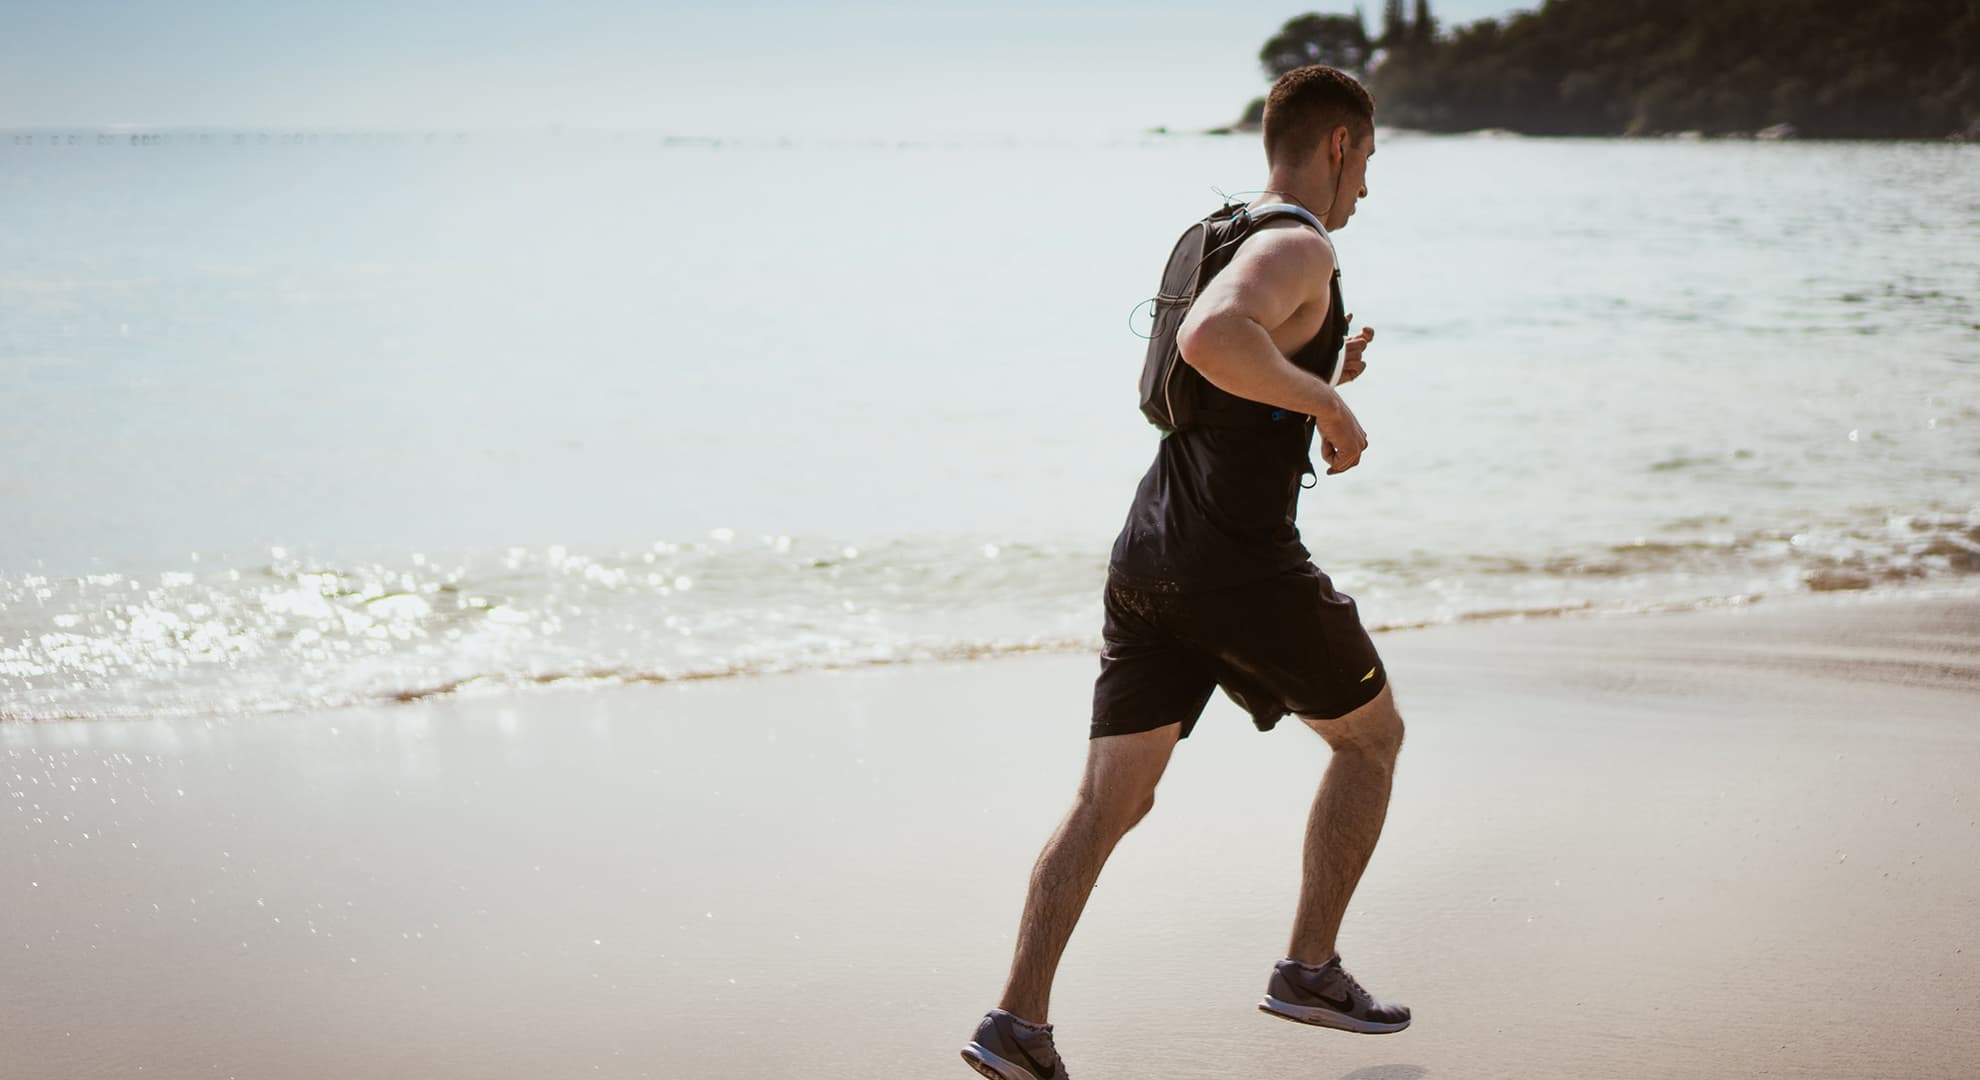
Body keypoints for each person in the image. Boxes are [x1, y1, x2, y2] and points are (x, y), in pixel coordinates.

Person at [960, 65, 1408, 1080]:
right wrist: (1332, 408)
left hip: (1149, 556)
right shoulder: (1301, 243)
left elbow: (1201, 388)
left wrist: (1316, 377)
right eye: (1370, 160)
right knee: (1372, 742)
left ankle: (1015, 1023)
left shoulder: (1211, 235)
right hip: (1236, 565)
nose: (1370, 189)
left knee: (1109, 801)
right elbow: (1212, 342)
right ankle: (1309, 966)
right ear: (1338, 146)